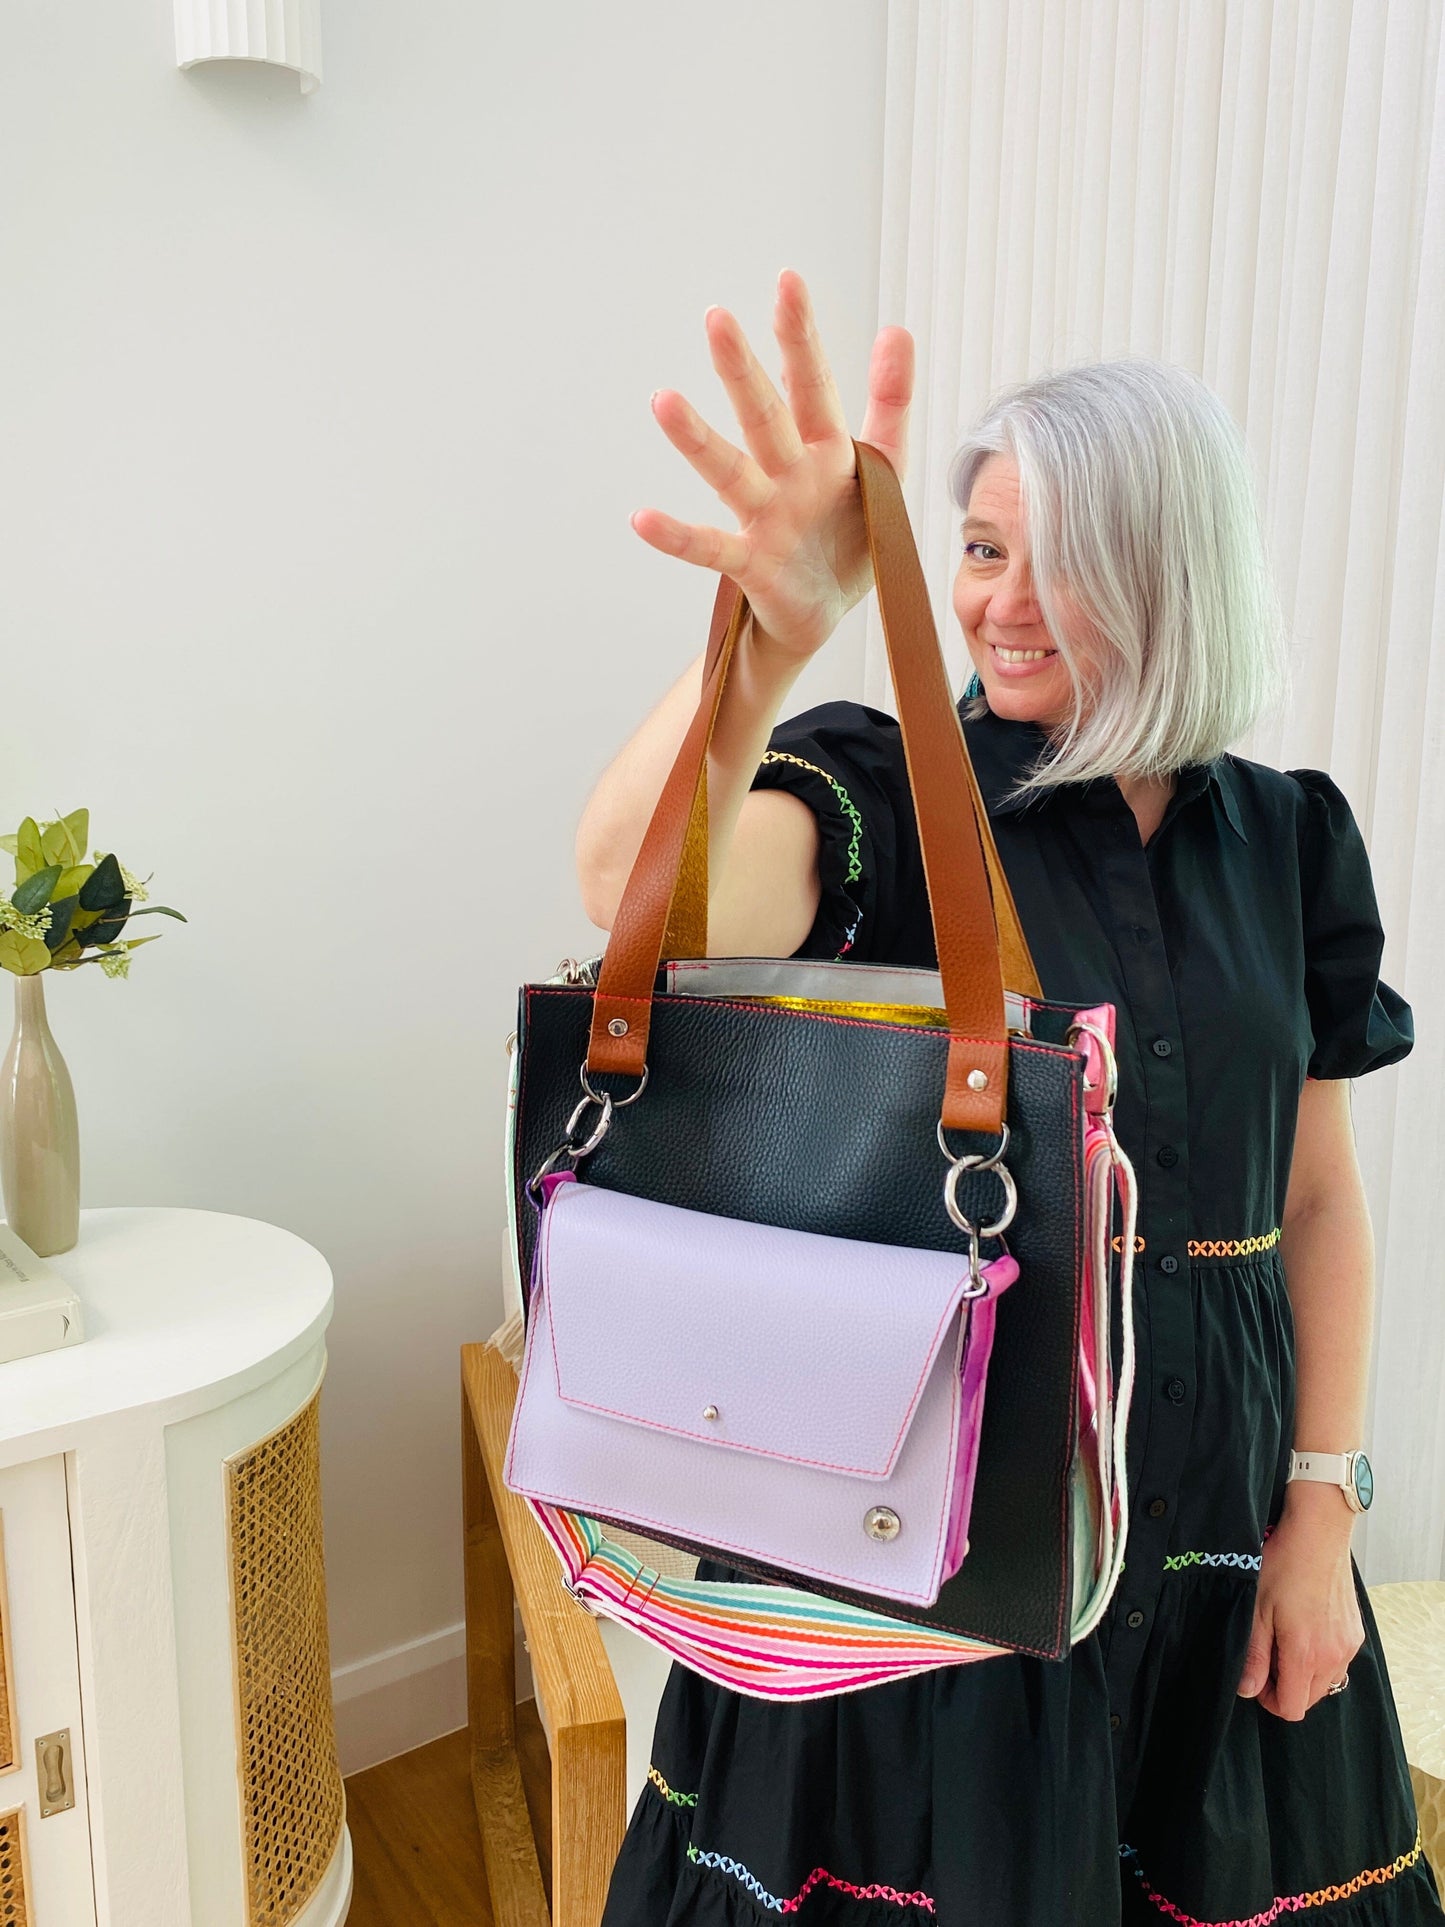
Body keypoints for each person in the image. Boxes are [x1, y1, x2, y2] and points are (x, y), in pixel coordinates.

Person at [574, 271, 1440, 1924]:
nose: (1003, 602)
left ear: (1176, 574)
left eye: (1067, 558)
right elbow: (634, 896)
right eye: (978, 547)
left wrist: (1321, 1511)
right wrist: (762, 637)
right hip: (932, 1529)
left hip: (1221, 1515)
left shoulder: (1290, 836)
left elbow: (1312, 1201)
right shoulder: (885, 783)